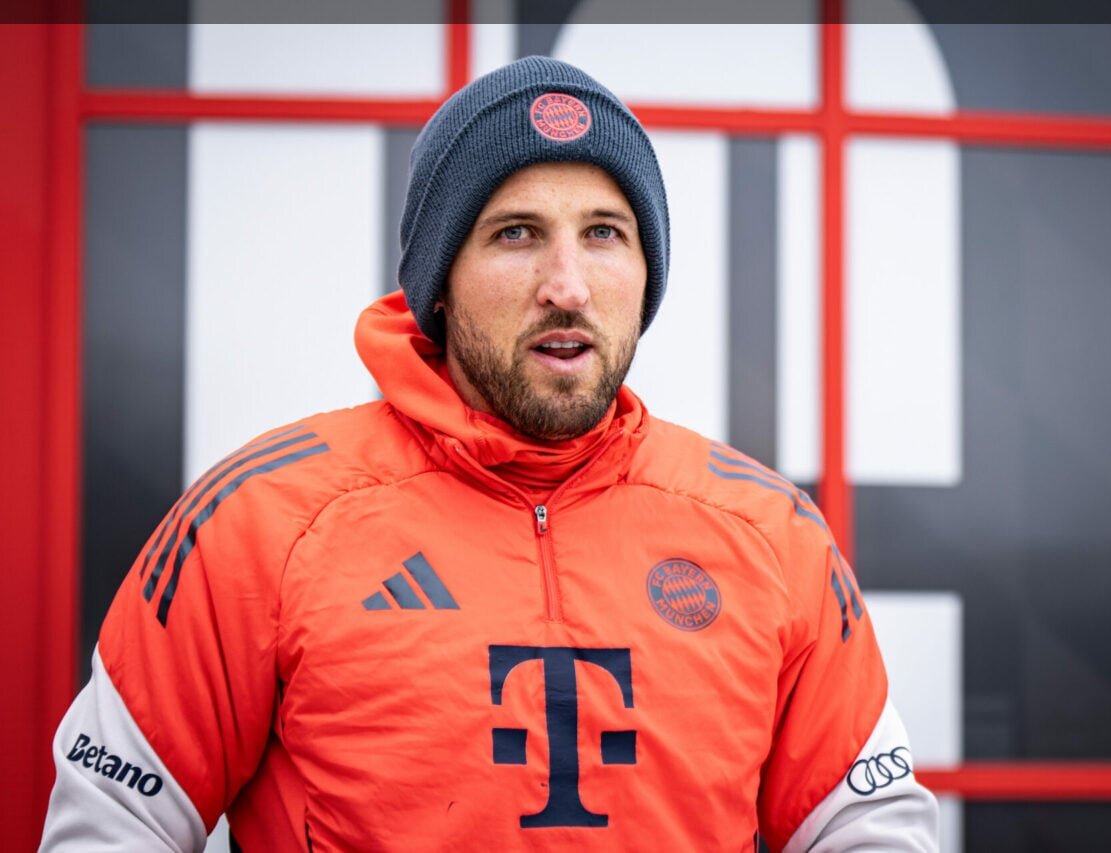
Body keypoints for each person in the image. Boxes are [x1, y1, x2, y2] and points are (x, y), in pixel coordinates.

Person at [41, 56, 938, 852]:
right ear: (439, 283)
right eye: (516, 233)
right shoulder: (261, 520)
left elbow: (869, 827)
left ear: (646, 275)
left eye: (604, 232)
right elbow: (112, 823)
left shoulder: (771, 533)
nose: (567, 286)